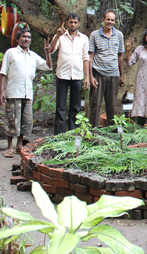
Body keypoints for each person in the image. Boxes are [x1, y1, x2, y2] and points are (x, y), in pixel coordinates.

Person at [0, 29, 52, 157]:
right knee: (12, 121)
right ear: (18, 39)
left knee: (26, 121)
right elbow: (3, 72)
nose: (26, 39)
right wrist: (2, 91)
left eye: (29, 37)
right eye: (24, 37)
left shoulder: (33, 56)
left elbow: (48, 67)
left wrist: (48, 53)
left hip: (27, 94)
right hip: (13, 92)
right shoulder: (11, 53)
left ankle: (19, 147)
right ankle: (9, 147)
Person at [50, 14, 90, 135]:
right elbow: (51, 50)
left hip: (77, 76)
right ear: (67, 22)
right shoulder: (60, 37)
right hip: (62, 75)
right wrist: (57, 36)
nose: (73, 24)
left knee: (75, 107)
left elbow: (85, 57)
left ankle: (72, 133)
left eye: (75, 22)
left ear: (79, 24)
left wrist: (87, 76)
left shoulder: (83, 38)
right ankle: (60, 135)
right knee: (61, 107)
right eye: (71, 22)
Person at [88, 10, 125, 127]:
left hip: (113, 74)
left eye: (112, 20)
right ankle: (92, 131)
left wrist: (121, 75)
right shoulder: (94, 35)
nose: (110, 22)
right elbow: (91, 55)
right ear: (103, 20)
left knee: (112, 105)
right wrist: (90, 76)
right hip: (98, 72)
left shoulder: (119, 35)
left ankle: (112, 131)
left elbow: (120, 56)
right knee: (95, 103)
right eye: (108, 19)